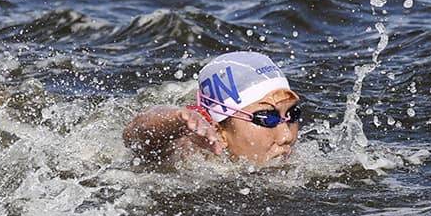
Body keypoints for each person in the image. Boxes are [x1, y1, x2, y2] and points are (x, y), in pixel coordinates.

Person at [122, 51, 303, 168]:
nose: (286, 136)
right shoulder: (190, 158)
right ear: (219, 131)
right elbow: (135, 134)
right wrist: (176, 118)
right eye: (266, 118)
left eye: (292, 115)